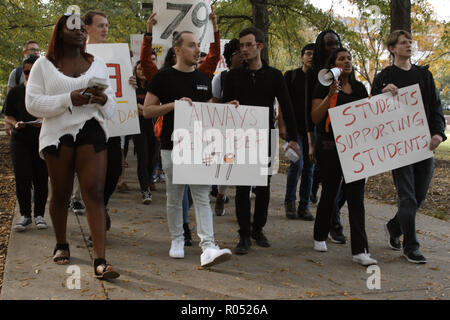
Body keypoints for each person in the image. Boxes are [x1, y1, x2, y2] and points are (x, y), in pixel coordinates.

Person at [25, 14, 119, 279]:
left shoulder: (97, 63)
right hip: (58, 134)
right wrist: (69, 99)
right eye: (72, 27)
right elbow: (32, 104)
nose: (79, 31)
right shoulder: (44, 65)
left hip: (92, 130)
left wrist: (101, 99)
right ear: (60, 32)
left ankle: (100, 261)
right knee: (62, 193)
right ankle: (61, 243)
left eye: (81, 28)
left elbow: (111, 108)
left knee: (94, 192)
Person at [142, 31, 232, 267]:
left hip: (199, 148)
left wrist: (226, 110)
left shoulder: (204, 79)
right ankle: (177, 240)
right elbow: (147, 111)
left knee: (202, 196)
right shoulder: (162, 78)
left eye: (198, 45)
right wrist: (174, 105)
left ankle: (208, 246)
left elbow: (208, 113)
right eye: (192, 45)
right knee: (174, 196)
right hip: (171, 147)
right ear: (177, 50)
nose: (197, 50)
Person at [222, 27, 300, 255]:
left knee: (264, 187)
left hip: (265, 137)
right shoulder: (233, 76)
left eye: (248, 45)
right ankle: (244, 233)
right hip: (240, 139)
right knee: (243, 187)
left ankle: (258, 229)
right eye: (241, 46)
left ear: (259, 46)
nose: (244, 50)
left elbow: (286, 105)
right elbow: (225, 108)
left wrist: (293, 138)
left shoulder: (274, 75)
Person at [371, 30, 446, 264]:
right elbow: (370, 110)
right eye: (404, 43)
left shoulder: (423, 74)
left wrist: (438, 133)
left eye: (410, 42)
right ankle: (411, 246)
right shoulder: (384, 76)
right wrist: (381, 95)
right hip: (399, 148)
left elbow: (435, 106)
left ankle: (394, 227)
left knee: (419, 196)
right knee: (407, 198)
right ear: (392, 48)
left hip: (423, 145)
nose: (409, 46)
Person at [311, 48, 377, 266]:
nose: (347, 61)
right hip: (330, 147)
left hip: (354, 149)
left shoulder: (359, 88)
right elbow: (315, 116)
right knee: (329, 192)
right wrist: (330, 95)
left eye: (349, 58)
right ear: (333, 64)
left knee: (356, 198)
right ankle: (320, 235)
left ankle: (360, 250)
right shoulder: (323, 85)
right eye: (341, 59)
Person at [305, 29, 346, 243]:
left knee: (345, 184)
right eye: (328, 44)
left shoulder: (348, 73)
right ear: (321, 47)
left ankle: (331, 214)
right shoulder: (314, 74)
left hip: (344, 135)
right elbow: (309, 111)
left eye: (336, 43)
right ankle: (333, 222)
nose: (333, 47)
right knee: (330, 182)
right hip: (324, 135)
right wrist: (311, 142)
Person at [4, 55, 48, 232]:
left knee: (41, 178)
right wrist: (15, 124)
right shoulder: (16, 92)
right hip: (20, 139)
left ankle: (39, 215)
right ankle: (25, 215)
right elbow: (8, 114)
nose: (29, 75)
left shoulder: (46, 92)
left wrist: (43, 120)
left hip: (41, 139)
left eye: (33, 71)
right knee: (22, 176)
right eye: (26, 72)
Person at [279, 43, 316, 221]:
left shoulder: (321, 79)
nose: (310, 57)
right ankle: (290, 202)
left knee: (310, 168)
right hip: (295, 129)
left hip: (313, 131)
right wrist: (282, 125)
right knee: (297, 164)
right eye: (307, 54)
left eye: (313, 55)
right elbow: (282, 102)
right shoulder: (291, 76)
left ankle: (304, 206)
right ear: (302, 56)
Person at [210, 38, 243, 216]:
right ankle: (221, 195)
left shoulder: (254, 76)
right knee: (227, 166)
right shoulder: (220, 78)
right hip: (227, 130)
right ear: (230, 57)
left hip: (249, 131)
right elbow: (213, 104)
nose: (244, 55)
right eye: (239, 52)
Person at [132, 60, 158, 204]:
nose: (141, 71)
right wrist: (147, 109)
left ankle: (148, 181)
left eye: (144, 69)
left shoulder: (153, 87)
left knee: (153, 156)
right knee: (143, 157)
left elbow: (156, 107)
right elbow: (133, 108)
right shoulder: (132, 88)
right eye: (139, 69)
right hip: (138, 126)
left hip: (153, 126)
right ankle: (145, 189)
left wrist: (144, 109)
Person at [4, 41, 41, 136]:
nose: (36, 52)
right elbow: (9, 101)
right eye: (33, 49)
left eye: (37, 50)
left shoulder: (48, 73)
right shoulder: (16, 73)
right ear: (24, 52)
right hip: (21, 130)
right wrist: (9, 122)